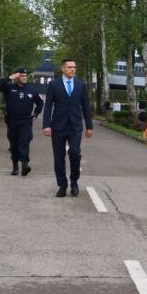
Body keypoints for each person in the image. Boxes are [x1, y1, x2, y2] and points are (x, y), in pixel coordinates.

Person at [42, 58, 93, 197]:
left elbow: (86, 107)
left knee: (75, 153)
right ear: (63, 69)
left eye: (74, 67)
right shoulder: (54, 85)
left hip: (75, 127)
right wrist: (46, 125)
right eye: (70, 67)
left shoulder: (81, 85)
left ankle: (74, 182)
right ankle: (62, 185)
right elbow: (48, 106)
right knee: (59, 157)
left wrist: (89, 126)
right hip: (58, 126)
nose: (72, 69)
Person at [0, 68, 44, 176]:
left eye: (25, 75)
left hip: (26, 120)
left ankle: (25, 165)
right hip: (12, 121)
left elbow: (40, 102)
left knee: (24, 141)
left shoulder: (32, 89)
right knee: (14, 144)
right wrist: (9, 78)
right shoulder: (9, 87)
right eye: (22, 76)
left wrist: (36, 113)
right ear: (16, 77)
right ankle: (15, 166)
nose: (24, 77)